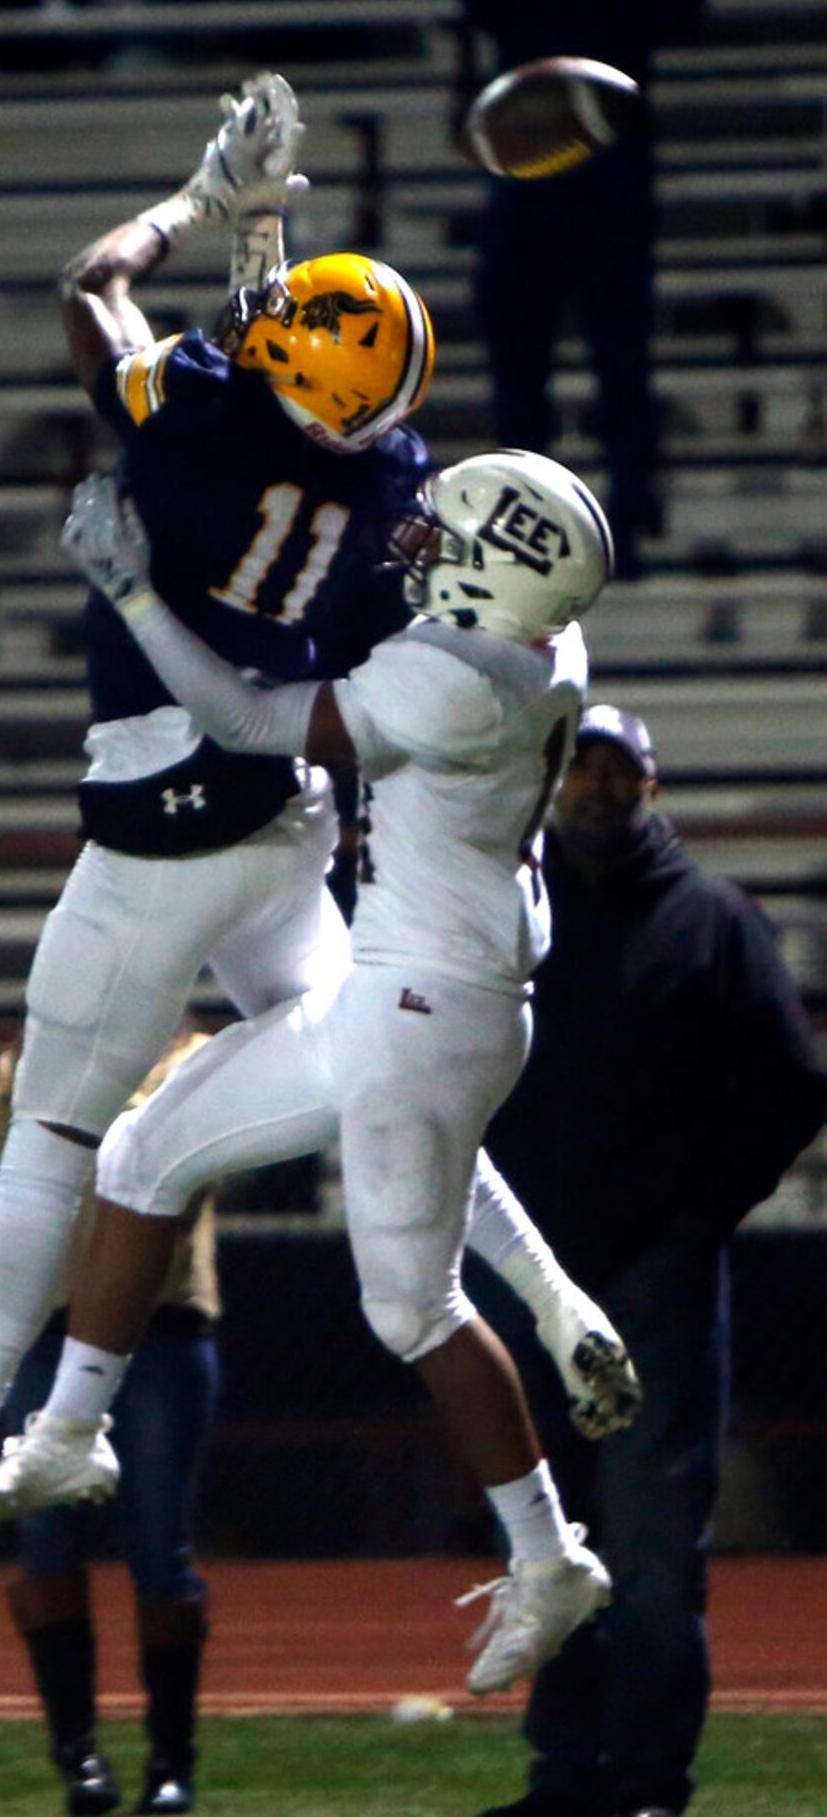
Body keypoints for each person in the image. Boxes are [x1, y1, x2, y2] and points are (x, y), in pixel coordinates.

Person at [0, 72, 438, 1543]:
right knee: (385, 1057)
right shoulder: (394, 461)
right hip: (288, 805)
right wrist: (262, 234)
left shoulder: (202, 419)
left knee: (54, 1137)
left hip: (162, 807)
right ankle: (536, 1303)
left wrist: (198, 209)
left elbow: (91, 288)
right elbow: (283, 379)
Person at [0, 445, 633, 1699]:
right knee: (143, 1151)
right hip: (424, 995)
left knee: (410, 1310)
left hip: (422, 1005)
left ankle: (552, 1559)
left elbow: (253, 718)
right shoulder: (548, 652)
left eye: (447, 536)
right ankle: (66, 1434)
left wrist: (139, 596)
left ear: (498, 577)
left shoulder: (450, 680)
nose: (420, 543)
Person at [470, 703, 827, 1817]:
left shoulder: (713, 919)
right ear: (551, 780)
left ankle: (649, 1785)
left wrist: (693, 1224)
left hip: (650, 1284)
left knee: (655, 1541)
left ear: (652, 789)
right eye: (581, 769)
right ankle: (567, 1775)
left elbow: (791, 1087)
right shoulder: (512, 910)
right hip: (533, 1277)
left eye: (618, 772)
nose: (597, 789)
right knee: (555, 1547)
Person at [0, 1032, 220, 1817]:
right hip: (51, 1329)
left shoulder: (204, 1057)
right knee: (46, 1540)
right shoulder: (35, 1056)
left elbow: (174, 1185)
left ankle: (170, 1762)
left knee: (157, 1544)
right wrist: (14, 1097)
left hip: (160, 1330)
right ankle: (77, 1754)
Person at [454, 0, 712, 580]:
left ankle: (624, 525)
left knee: (620, 377)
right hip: (533, 213)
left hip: (607, 217)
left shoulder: (621, 1)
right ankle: (528, 531)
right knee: (524, 387)